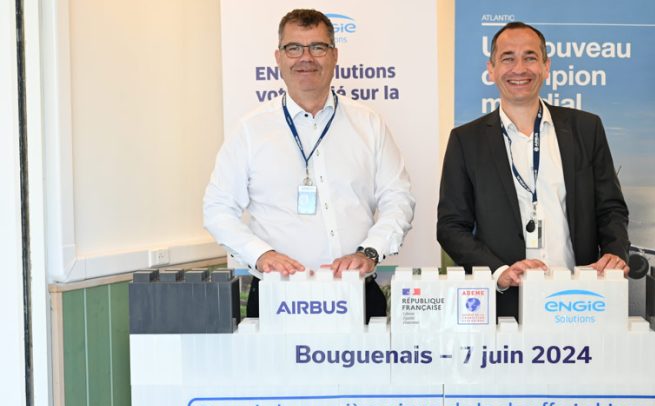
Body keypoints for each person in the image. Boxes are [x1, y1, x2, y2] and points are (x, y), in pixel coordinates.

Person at [203, 9, 415, 321]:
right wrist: (261, 255)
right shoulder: (250, 130)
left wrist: (370, 251)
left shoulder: (369, 124)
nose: (306, 58)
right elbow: (217, 209)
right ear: (278, 57)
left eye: (318, 47)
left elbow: (398, 199)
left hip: (356, 292)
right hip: (278, 297)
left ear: (334, 55)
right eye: (294, 48)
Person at [437, 22, 630, 319]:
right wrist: (499, 271)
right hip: (507, 302)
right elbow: (451, 226)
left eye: (530, 57)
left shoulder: (586, 129)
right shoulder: (466, 140)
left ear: (546, 66)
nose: (519, 68)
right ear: (491, 69)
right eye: (508, 58)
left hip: (582, 298)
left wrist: (615, 252)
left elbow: (611, 208)